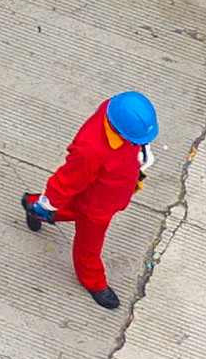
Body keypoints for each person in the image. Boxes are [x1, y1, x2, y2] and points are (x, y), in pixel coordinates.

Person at [24, 89, 157, 311]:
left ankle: (34, 206)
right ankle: (94, 282)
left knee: (69, 211)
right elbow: (66, 180)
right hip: (96, 207)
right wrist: (50, 201)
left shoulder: (114, 112)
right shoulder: (90, 152)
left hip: (103, 197)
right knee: (89, 248)